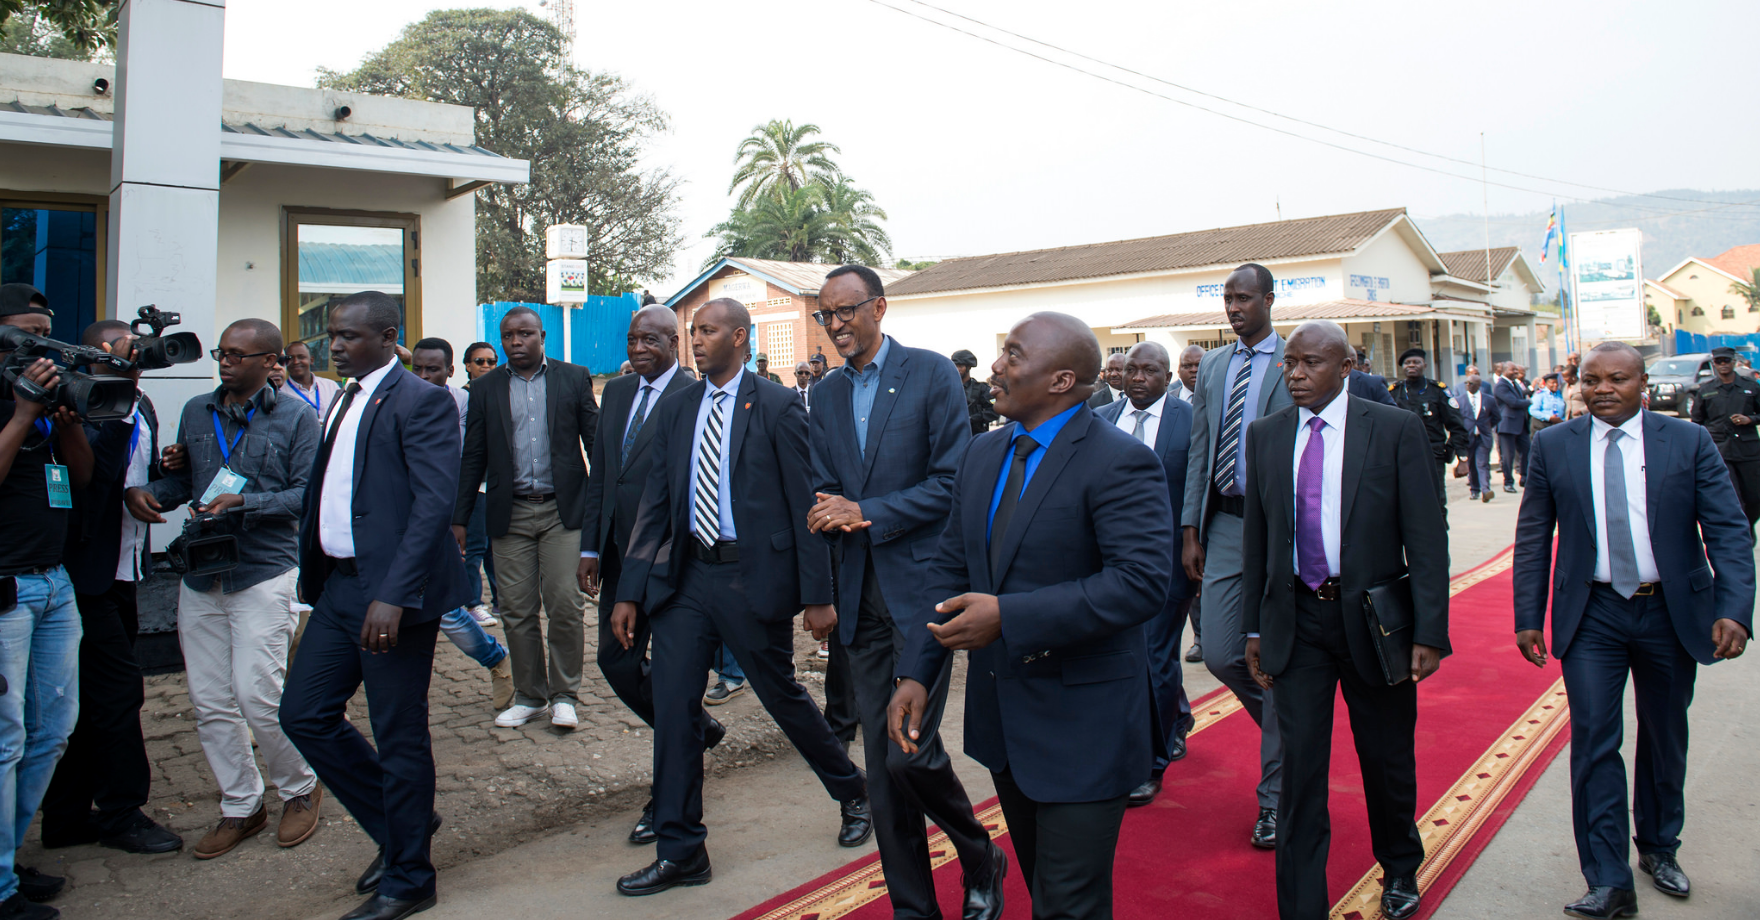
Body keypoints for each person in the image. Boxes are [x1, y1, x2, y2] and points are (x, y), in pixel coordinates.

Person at [889, 311, 1171, 920]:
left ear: (1062, 380)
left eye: (1013, 355)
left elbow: (1140, 583)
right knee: (1044, 887)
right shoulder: (983, 454)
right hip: (1008, 724)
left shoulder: (1119, 460)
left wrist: (1009, 617)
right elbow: (948, 572)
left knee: (1070, 905)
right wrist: (916, 671)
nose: (994, 367)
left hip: (1086, 727)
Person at [607, 297, 869, 896]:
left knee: (782, 696)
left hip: (753, 579)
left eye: (707, 331)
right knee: (674, 708)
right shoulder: (677, 409)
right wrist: (631, 591)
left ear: (741, 338)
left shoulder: (775, 405)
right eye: (692, 331)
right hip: (687, 580)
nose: (695, 341)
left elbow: (807, 503)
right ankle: (681, 850)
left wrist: (818, 597)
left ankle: (852, 792)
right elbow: (655, 507)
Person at [1513, 342, 1755, 919]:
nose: (1602, 389)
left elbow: (1728, 530)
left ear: (1642, 383)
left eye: (1617, 379)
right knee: (1595, 742)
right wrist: (1528, 615)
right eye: (1591, 380)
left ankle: (1659, 847)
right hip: (1592, 613)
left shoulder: (1688, 442)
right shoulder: (1553, 446)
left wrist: (1735, 609)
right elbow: (1532, 538)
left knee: (1664, 734)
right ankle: (1607, 878)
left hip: (1671, 612)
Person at [806, 266, 1002, 920]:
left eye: (847, 312)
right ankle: (913, 910)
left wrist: (863, 509)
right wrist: (825, 512)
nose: (836, 326)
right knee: (882, 773)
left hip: (924, 588)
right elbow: (826, 484)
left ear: (880, 307)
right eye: (825, 315)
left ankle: (978, 852)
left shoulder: (931, 374)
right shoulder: (826, 394)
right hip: (858, 594)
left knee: (907, 754)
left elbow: (953, 482)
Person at [1240, 320, 1446, 920]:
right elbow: (1260, 539)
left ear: (1346, 366)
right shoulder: (1267, 435)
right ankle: (1301, 903)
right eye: (1290, 363)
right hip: (1297, 623)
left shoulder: (1395, 430)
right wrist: (1254, 626)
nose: (1295, 373)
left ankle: (1401, 868)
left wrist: (1430, 631)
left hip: (1374, 623)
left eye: (1310, 363)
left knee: (1385, 760)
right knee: (1300, 771)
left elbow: (1426, 538)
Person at [279, 291, 473, 920]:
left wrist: (393, 593)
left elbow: (432, 505)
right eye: (331, 334)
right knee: (304, 714)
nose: (333, 345)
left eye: (348, 336)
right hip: (338, 588)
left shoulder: (423, 401)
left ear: (389, 337)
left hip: (391, 597)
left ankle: (410, 877)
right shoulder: (345, 395)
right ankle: (402, 828)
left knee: (399, 734)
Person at [125, 318, 323, 860]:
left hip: (262, 570)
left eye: (239, 354)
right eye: (221, 352)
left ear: (270, 362)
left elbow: (309, 496)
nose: (226, 361)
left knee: (257, 696)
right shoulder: (195, 411)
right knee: (210, 700)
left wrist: (247, 503)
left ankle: (300, 788)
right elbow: (187, 485)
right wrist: (150, 495)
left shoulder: (298, 418)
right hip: (200, 573)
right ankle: (242, 804)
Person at [578, 306, 721, 846]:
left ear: (675, 343)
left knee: (674, 681)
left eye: (651, 340)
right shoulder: (615, 394)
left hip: (671, 565)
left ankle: (669, 800)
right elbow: (604, 478)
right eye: (633, 339)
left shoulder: (693, 396)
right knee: (616, 663)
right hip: (618, 560)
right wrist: (591, 546)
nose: (638, 348)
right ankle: (695, 730)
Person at [41, 321, 183, 858]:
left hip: (127, 570)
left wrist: (166, 469)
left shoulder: (140, 402)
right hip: (84, 575)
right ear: (98, 351)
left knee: (90, 700)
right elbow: (91, 479)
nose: (141, 354)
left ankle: (66, 816)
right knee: (119, 695)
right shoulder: (83, 399)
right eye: (129, 346)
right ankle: (122, 812)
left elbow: (131, 478)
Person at [1181, 263, 1289, 848]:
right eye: (1227, 299)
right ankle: (1288, 722)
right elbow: (1202, 447)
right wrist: (1190, 526)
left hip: (1281, 530)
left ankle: (1273, 799)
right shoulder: (1217, 366)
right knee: (1223, 655)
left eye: (1243, 298)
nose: (1233, 308)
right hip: (1223, 524)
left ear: (1269, 300)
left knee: (1271, 661)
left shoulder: (1296, 359)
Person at [452, 308, 599, 730]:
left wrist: (603, 507)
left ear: (542, 336)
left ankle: (565, 695)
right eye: (508, 335)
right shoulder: (486, 389)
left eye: (524, 334)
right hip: (509, 512)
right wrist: (459, 517)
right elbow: (473, 456)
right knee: (516, 610)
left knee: (565, 605)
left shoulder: (573, 378)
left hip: (562, 511)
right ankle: (531, 695)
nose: (516, 342)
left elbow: (595, 442)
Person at [0, 284, 94, 919]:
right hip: (5, 587)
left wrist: (68, 423)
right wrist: (20, 415)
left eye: (46, 331)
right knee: (5, 739)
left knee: (52, 731)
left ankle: (5, 859)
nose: (39, 344)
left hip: (55, 582)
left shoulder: (50, 393)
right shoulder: (11, 402)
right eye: (25, 333)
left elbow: (79, 479)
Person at [1095, 342, 1194, 805]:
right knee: (1121, 657)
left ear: (1167, 375)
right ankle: (1154, 730)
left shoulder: (1189, 422)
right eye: (1131, 369)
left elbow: (1196, 492)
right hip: (1109, 564)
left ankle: (1151, 763)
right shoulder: (1102, 419)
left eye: (1149, 370)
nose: (1137, 377)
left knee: (1154, 656)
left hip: (1168, 561)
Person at [407, 338, 513, 709]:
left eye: (432, 369)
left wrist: (457, 517)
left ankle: (495, 660)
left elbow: (462, 456)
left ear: (451, 371)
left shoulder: (461, 402)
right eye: (416, 368)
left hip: (441, 512)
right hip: (399, 518)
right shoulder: (396, 401)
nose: (423, 376)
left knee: (443, 609)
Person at [1388, 348, 1469, 522]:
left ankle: (1439, 545)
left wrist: (1460, 456)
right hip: (1402, 456)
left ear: (1424, 365)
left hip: (1433, 455)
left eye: (1416, 362)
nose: (1411, 366)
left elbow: (1456, 425)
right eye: (1407, 363)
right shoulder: (1394, 391)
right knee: (1404, 503)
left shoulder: (1438, 390)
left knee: (1435, 503)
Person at [1690, 346, 1760, 539]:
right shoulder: (1706, 390)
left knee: (1754, 497)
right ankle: (1742, 534)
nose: (1722, 365)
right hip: (1720, 449)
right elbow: (1697, 422)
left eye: (1726, 361)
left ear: (1733, 362)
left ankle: (1749, 523)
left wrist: (1750, 419)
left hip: (1748, 450)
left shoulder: (1751, 386)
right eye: (1718, 362)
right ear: (1714, 364)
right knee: (1733, 497)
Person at [459, 343, 499, 624]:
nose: (486, 366)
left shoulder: (501, 393)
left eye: (491, 361)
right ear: (467, 366)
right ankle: (473, 602)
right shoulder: (462, 398)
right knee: (473, 548)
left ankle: (501, 600)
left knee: (494, 550)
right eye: (479, 361)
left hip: (497, 485)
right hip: (474, 486)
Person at [1175, 344, 1205, 664]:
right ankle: (1199, 637)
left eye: (1199, 366)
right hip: (1180, 504)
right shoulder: (1168, 401)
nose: (1194, 371)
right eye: (1188, 366)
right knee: (1191, 575)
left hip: (1212, 500)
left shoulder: (1217, 397)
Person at [1451, 372, 1500, 503]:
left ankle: (1486, 490)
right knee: (1471, 464)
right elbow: (1456, 419)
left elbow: (1496, 417)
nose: (1467, 385)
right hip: (1468, 437)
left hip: (1483, 437)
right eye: (1466, 383)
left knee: (1482, 463)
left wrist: (1486, 426)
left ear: (1478, 385)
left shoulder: (1488, 399)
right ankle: (1474, 490)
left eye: (1471, 383)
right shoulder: (1460, 400)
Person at [1493, 362, 1531, 494]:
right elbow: (1513, 402)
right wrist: (1532, 401)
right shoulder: (1500, 385)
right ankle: (1508, 482)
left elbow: (1520, 396)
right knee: (1508, 456)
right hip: (1507, 425)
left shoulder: (1514, 383)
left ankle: (1524, 477)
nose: (1516, 372)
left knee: (1526, 450)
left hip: (1521, 425)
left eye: (1517, 369)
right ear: (1504, 371)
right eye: (1513, 369)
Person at [281, 340, 340, 419]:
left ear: (311, 360)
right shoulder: (281, 392)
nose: (295, 362)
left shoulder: (331, 386)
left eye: (301, 357)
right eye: (290, 358)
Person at [953, 349, 998, 435]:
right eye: (955, 366)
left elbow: (994, 411)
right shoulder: (949, 388)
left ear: (968, 367)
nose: (957, 369)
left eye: (960, 366)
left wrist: (973, 418)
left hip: (976, 436)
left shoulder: (981, 389)